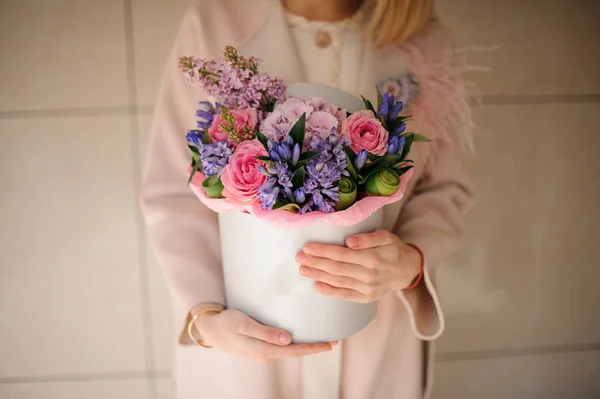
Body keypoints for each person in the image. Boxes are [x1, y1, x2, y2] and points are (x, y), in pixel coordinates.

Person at [141, 0, 475, 398]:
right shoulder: (214, 22)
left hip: (376, 335)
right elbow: (174, 189)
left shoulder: (423, 39)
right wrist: (205, 314)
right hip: (246, 345)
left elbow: (443, 188)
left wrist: (410, 263)